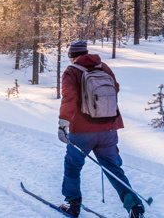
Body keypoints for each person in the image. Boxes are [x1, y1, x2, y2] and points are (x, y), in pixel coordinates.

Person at [57, 41, 145, 218]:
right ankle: (134, 205)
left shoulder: (72, 71)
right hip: (109, 129)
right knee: (113, 168)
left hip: (82, 130)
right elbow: (116, 88)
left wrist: (63, 124)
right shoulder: (103, 67)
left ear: (72, 56)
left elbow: (69, 98)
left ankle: (72, 204)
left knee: (73, 166)